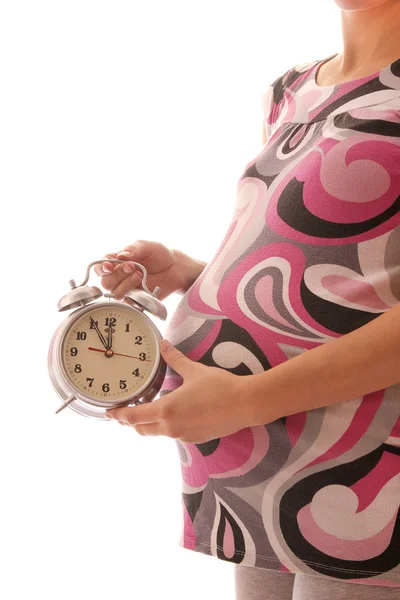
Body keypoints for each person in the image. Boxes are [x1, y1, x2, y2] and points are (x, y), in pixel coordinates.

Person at [95, 0, 400, 597]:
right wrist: (192, 274)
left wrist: (251, 398)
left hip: (358, 463)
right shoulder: (292, 89)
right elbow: (336, 274)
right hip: (257, 454)